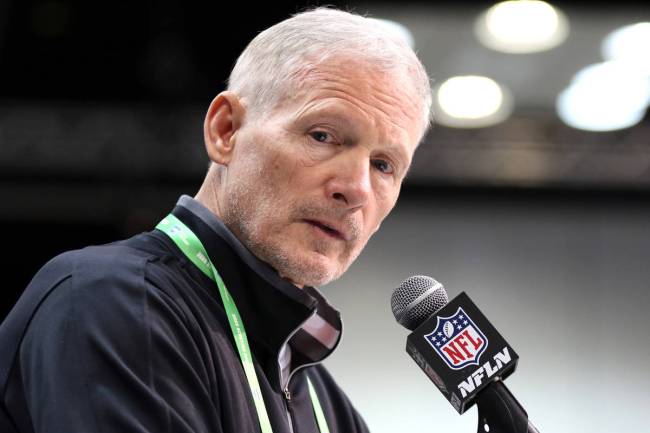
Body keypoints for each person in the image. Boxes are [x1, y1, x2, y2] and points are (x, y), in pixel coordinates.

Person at [0, 7, 432, 433]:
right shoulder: (114, 301)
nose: (356, 189)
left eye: (384, 165)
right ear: (226, 131)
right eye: (323, 135)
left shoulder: (320, 397)